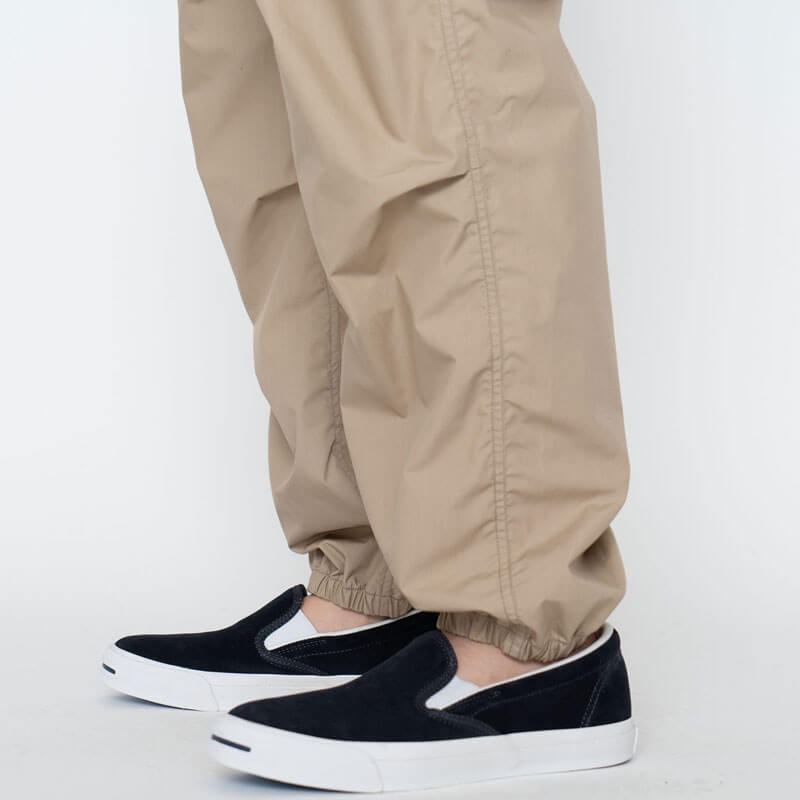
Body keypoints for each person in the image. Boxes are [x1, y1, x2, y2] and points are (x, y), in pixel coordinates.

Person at [103, 0, 635, 790]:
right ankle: (369, 588)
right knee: (272, 118)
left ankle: (522, 637)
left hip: (527, 633)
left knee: (432, 73)